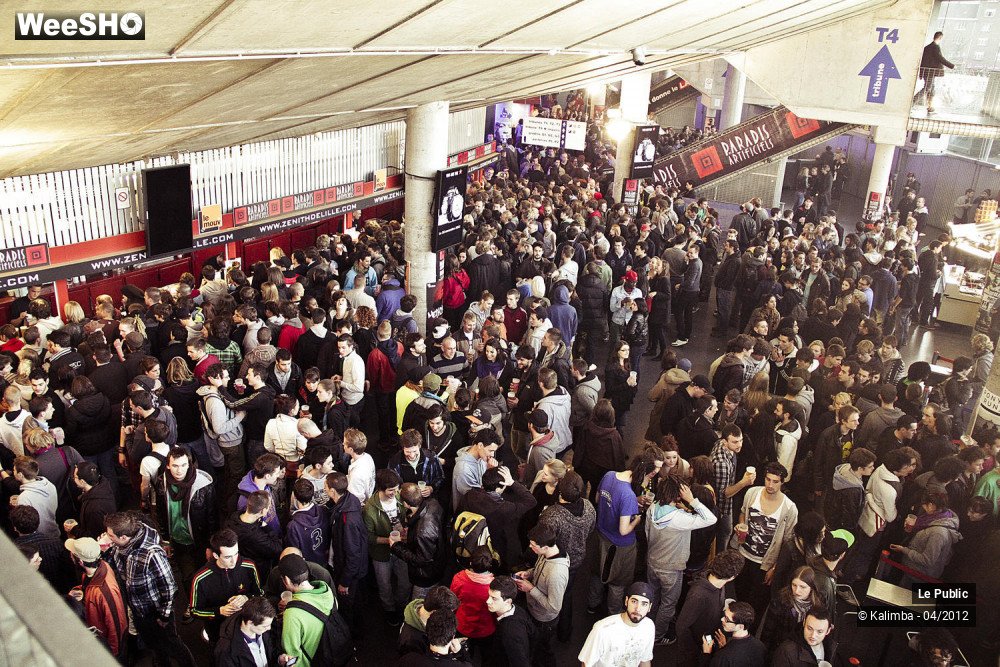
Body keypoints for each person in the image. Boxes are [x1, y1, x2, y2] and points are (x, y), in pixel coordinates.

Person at [102, 512, 196, 667]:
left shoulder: (151, 553)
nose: (107, 536)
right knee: (154, 644)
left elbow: (170, 587)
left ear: (124, 537)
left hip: (156, 612)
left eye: (110, 535)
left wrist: (164, 616)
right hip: (139, 610)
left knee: (173, 644)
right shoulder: (121, 546)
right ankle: (162, 663)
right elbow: (117, 568)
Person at [645, 473, 717, 644]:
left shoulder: (652, 508)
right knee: (668, 604)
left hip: (652, 561)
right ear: (678, 494)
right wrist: (692, 500)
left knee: (653, 596)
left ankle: (647, 627)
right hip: (671, 568)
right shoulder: (679, 519)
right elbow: (710, 518)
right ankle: (657, 636)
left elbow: (648, 534)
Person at [734, 462, 798, 616]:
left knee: (756, 603)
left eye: (775, 481)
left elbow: (788, 543)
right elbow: (743, 512)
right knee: (739, 595)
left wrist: (775, 567)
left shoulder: (789, 508)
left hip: (764, 563)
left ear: (782, 482)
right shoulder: (752, 493)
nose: (770, 485)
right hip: (743, 554)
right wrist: (741, 524)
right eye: (768, 479)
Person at [190, 528, 263, 644]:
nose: (234, 561)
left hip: (245, 626)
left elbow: (259, 594)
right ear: (215, 555)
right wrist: (219, 611)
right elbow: (195, 611)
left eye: (236, 554)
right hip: (217, 631)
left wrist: (246, 598)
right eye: (228, 557)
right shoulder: (201, 578)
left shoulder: (249, 566)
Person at [513, 524, 570, 667]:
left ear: (545, 547)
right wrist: (529, 573)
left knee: (542, 650)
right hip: (534, 610)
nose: (530, 548)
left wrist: (530, 588)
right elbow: (540, 567)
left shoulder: (557, 573)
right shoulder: (547, 553)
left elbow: (554, 607)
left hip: (543, 620)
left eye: (533, 545)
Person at [675, 550, 746, 663]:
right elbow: (682, 627)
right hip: (695, 649)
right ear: (732, 577)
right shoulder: (698, 595)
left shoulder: (718, 584)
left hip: (708, 638)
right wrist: (692, 652)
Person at [63, 536, 128, 659]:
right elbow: (88, 586)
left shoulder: (104, 591)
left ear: (81, 562)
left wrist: (113, 655)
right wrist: (80, 590)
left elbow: (117, 626)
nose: (70, 555)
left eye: (73, 554)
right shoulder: (100, 566)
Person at [364, 468, 410, 623]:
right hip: (381, 554)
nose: (395, 492)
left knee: (404, 582)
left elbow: (405, 518)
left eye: (397, 489)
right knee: (384, 585)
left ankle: (402, 606)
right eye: (391, 490)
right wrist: (388, 541)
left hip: (401, 551)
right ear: (381, 489)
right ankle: (389, 609)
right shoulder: (370, 509)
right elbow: (369, 537)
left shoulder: (399, 498)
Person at [278, 553, 338, 667]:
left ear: (286, 579)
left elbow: (292, 656)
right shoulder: (325, 589)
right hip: (332, 653)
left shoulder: (292, 613)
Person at [390, 482, 447, 600]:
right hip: (439, 563)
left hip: (426, 577)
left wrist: (396, 546)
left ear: (406, 504)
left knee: (418, 604)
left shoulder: (422, 532)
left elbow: (421, 560)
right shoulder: (433, 503)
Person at [578, 581, 656, 667]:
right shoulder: (602, 629)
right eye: (634, 601)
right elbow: (586, 664)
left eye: (644, 604)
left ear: (650, 607)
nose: (638, 608)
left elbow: (645, 660)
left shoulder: (649, 626)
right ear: (626, 601)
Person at [449, 546, 496, 652]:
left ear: (470, 563)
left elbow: (452, 602)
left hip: (463, 625)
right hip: (486, 628)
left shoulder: (459, 578)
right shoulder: (494, 585)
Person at [214, 596, 282, 667]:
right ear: (250, 623)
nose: (269, 628)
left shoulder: (262, 629)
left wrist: (279, 659)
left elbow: (271, 651)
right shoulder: (225, 651)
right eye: (265, 626)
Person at [487, 576, 539, 667]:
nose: (488, 601)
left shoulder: (510, 633)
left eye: (494, 598)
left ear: (508, 601)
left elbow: (520, 663)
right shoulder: (517, 609)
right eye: (489, 596)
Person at [398, 585, 461, 657]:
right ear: (434, 612)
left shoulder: (422, 606)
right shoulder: (412, 639)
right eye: (448, 613)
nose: (450, 616)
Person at [699, 600, 766, 667]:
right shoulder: (760, 646)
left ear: (740, 626)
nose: (722, 619)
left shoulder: (723, 657)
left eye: (726, 619)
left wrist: (706, 654)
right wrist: (725, 647)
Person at [398, 609, 472, 667]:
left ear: (427, 631)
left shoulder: (409, 659)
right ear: (453, 636)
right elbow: (468, 664)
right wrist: (460, 651)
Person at [771, 608, 840, 667]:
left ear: (828, 631)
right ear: (804, 623)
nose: (813, 635)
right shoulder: (785, 651)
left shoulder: (831, 647)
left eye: (819, 632)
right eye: (809, 628)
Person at [915, 31, 954, 113]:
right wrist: (951, 65)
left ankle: (930, 106)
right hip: (930, 72)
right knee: (927, 88)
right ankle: (911, 103)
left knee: (931, 89)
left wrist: (921, 73)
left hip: (927, 71)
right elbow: (940, 58)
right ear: (940, 38)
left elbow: (922, 61)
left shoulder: (927, 47)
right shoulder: (935, 47)